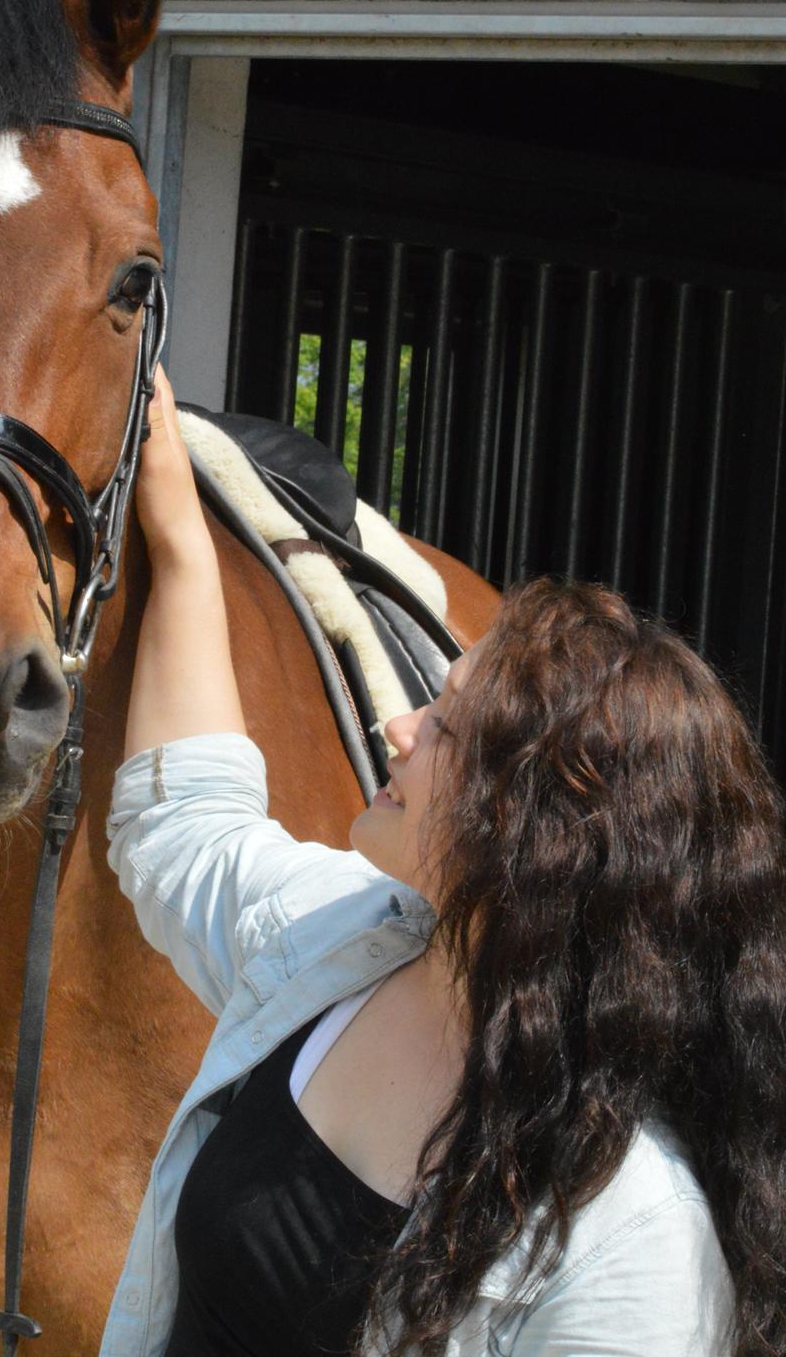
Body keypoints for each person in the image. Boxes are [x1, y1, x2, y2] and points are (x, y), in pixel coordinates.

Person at [97, 369, 786, 1357]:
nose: (395, 725)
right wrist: (179, 537)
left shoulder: (634, 1242)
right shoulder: (345, 939)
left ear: (536, 830)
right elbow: (186, 832)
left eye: (443, 725)